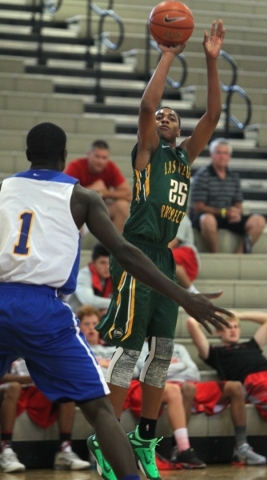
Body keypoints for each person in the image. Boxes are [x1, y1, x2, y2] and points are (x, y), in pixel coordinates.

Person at [0, 122, 230, 480]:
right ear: (64, 158)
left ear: (28, 155)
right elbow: (125, 252)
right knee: (100, 411)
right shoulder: (81, 197)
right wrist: (185, 296)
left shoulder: (4, 189)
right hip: (44, 309)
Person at [93, 18, 227, 480]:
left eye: (173, 115)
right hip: (136, 253)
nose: (165, 115)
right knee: (128, 353)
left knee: (163, 353)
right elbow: (147, 106)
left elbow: (212, 116)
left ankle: (144, 438)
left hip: (164, 258)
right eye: (162, 115)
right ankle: (103, 435)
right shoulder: (147, 151)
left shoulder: (185, 158)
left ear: (180, 128)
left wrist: (210, 61)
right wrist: (168, 53)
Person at [187, 311, 267, 449]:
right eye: (227, 327)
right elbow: (191, 323)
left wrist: (238, 315)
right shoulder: (215, 353)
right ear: (218, 332)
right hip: (255, 382)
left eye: (236, 327)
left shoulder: (251, 345)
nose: (233, 330)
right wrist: (213, 316)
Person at [134, 341, 266, 468]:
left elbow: (194, 373)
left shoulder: (178, 348)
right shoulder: (142, 348)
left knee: (235, 387)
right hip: (166, 387)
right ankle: (178, 449)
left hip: (190, 383)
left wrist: (168, 369)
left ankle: (241, 447)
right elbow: (145, 373)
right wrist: (181, 367)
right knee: (187, 389)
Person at [0, 359, 90, 472]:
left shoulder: (42, 344)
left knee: (66, 387)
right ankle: (5, 449)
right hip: (10, 387)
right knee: (14, 387)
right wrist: (33, 378)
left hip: (38, 388)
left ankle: (65, 449)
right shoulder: (7, 343)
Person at [189, 138, 267, 253]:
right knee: (207, 220)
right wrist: (224, 212)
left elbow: (238, 203)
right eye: (218, 152)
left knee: (259, 221)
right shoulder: (202, 175)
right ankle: (215, 255)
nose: (222, 156)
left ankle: (238, 257)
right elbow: (198, 207)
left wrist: (235, 213)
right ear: (211, 155)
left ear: (229, 157)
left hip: (228, 216)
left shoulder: (234, 177)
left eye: (225, 153)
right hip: (207, 216)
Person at [64, 139, 132, 232]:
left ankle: (114, 245)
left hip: (99, 211)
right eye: (97, 156)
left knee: (122, 205)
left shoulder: (110, 167)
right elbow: (65, 193)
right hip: (79, 211)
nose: (100, 161)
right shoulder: (76, 166)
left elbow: (127, 194)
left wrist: (105, 193)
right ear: (89, 154)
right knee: (73, 213)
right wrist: (90, 189)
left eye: (104, 158)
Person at [68, 243, 113, 315]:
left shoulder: (113, 276)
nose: (107, 267)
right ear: (93, 263)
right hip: (76, 318)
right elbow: (89, 301)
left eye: (110, 263)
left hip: (94, 318)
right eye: (102, 263)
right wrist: (118, 303)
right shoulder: (83, 275)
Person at [168, 214, 200, 294]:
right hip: (173, 251)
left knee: (165, 257)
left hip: (187, 253)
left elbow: (172, 243)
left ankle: (191, 291)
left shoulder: (180, 216)